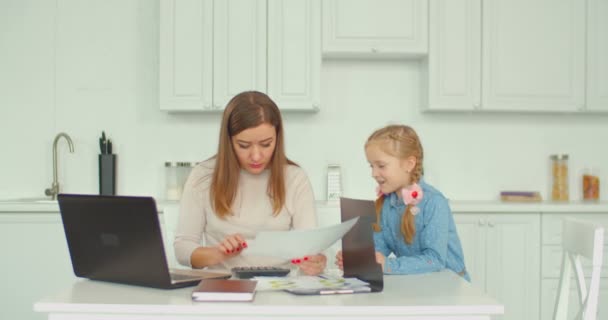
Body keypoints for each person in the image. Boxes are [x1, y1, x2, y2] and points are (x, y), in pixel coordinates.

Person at [174, 91, 326, 276]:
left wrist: (315, 261)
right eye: (244, 145)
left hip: (280, 289)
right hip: (224, 288)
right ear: (228, 141)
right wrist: (218, 254)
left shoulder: (294, 178)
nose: (256, 156)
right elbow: (182, 250)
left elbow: (309, 248)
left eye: (266, 144)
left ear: (277, 138)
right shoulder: (203, 176)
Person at [336, 125, 469, 281]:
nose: (373, 173)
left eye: (381, 166)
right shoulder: (386, 204)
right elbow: (380, 248)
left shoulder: (434, 203)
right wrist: (360, 258)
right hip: (421, 283)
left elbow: (435, 260)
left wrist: (388, 264)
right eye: (371, 166)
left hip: (451, 286)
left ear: (409, 164)